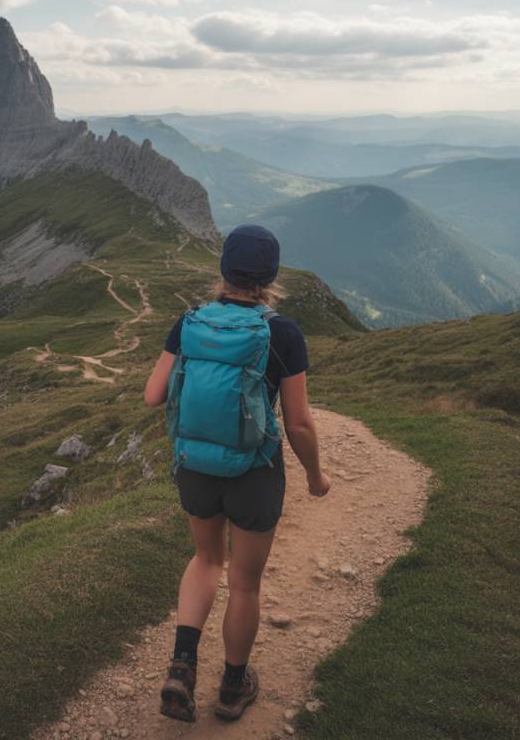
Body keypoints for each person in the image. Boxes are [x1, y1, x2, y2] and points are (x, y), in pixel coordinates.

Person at [144, 224, 332, 723]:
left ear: (222, 270)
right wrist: (316, 475)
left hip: (196, 466)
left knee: (206, 560)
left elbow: (153, 395)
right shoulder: (281, 332)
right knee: (244, 584)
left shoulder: (188, 323)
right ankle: (231, 688)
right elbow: (298, 422)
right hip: (254, 471)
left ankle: (181, 667)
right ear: (270, 276)